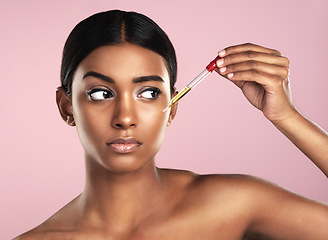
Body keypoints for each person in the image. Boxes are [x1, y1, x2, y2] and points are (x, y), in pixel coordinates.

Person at [14, 9, 328, 240]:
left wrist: (287, 117)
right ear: (66, 107)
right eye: (100, 93)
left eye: (149, 93)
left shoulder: (232, 205)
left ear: (172, 107)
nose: (125, 118)